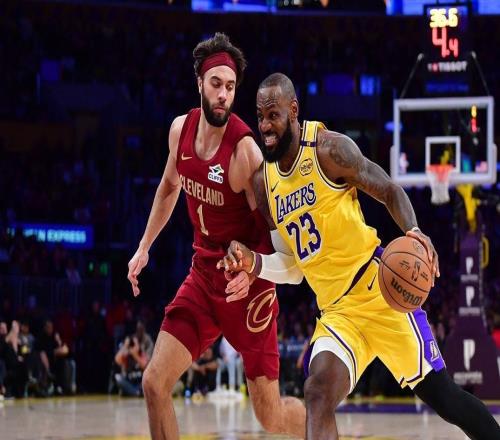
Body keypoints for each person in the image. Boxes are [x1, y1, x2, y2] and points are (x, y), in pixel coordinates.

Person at [218, 72, 500, 439]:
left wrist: (414, 230)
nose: (265, 126)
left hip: (380, 291)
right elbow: (293, 268)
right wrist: (255, 263)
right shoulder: (263, 182)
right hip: (337, 312)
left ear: (293, 110)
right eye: (260, 116)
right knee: (317, 393)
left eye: (273, 115)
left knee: (443, 397)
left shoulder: (329, 150)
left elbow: (388, 189)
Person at [127, 36, 305, 439]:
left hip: (249, 289)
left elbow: (276, 237)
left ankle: (321, 430)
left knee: (270, 416)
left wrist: (254, 270)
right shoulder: (180, 131)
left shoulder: (246, 152)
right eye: (216, 84)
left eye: (230, 87)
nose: (224, 94)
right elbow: (169, 187)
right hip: (205, 277)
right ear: (199, 83)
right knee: (154, 383)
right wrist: (144, 247)